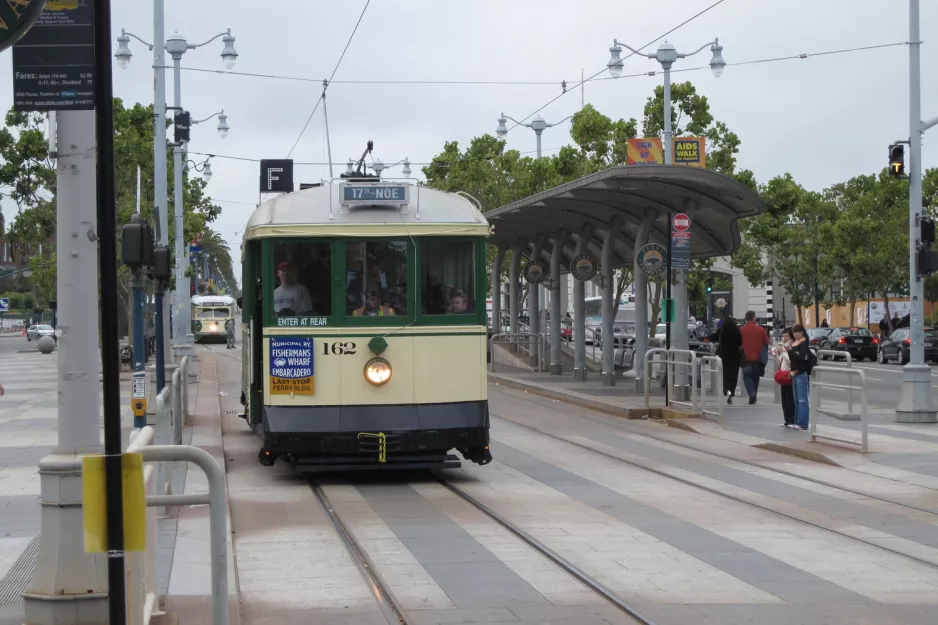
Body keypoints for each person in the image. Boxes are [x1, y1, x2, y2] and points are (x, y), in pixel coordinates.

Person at [740, 310, 771, 405]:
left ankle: (751, 393)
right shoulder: (761, 329)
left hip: (745, 357)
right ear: (754, 318)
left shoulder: (741, 329)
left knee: (747, 376)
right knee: (755, 377)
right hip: (758, 358)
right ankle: (754, 394)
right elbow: (767, 341)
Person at [788, 324, 815, 430]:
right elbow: (793, 357)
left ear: (802, 332)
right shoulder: (795, 342)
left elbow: (802, 357)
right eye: (794, 332)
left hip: (801, 372)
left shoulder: (803, 343)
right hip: (794, 372)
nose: (795, 334)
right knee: (796, 399)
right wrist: (790, 350)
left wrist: (791, 350)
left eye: (797, 332)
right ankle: (797, 421)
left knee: (802, 399)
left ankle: (803, 423)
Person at [715, 314, 742, 405]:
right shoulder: (736, 331)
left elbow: (714, 337)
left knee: (725, 372)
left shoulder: (722, 330)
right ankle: (732, 390)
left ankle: (726, 389)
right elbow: (740, 342)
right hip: (735, 355)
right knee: (733, 373)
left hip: (724, 355)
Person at [775, 329, 796, 427]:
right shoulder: (784, 347)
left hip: (790, 374)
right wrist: (778, 354)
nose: (784, 338)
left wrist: (783, 352)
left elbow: (791, 361)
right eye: (784, 336)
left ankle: (791, 420)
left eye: (786, 336)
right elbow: (780, 362)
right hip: (784, 373)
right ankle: (787, 420)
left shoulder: (792, 347)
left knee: (790, 399)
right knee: (784, 399)